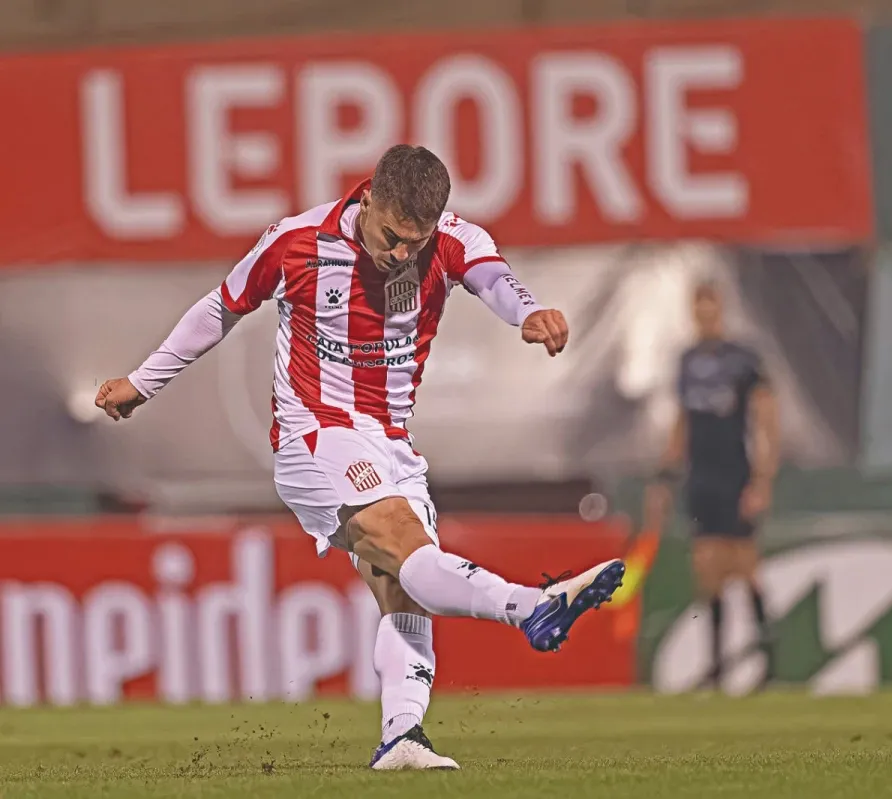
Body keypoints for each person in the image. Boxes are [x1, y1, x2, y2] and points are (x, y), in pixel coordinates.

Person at [94, 144, 625, 771]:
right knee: (404, 543)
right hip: (314, 433)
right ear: (368, 197)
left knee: (405, 586)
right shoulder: (297, 242)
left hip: (392, 442)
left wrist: (530, 311)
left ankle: (402, 737)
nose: (403, 254)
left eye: (416, 243)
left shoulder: (450, 240)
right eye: (394, 237)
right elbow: (221, 307)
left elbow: (494, 277)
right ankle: (532, 608)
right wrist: (143, 381)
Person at [644, 282, 779, 691]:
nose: (704, 314)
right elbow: (682, 423)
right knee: (706, 570)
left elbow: (768, 420)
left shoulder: (743, 360)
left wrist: (762, 480)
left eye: (710, 306)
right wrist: (665, 478)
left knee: (745, 565)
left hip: (735, 472)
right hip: (699, 476)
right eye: (698, 307)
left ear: (720, 308)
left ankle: (769, 659)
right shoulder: (686, 361)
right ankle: (718, 666)